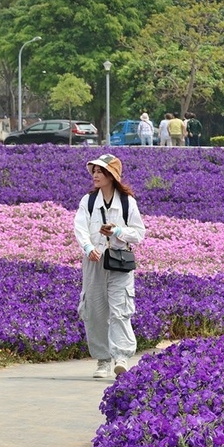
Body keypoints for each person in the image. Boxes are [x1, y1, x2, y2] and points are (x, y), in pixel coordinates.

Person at [73, 154, 146, 378]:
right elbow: (80, 226)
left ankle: (121, 356)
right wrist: (87, 247)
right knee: (94, 310)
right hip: (94, 260)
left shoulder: (127, 202)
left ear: (111, 176)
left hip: (119, 261)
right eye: (94, 171)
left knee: (120, 310)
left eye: (100, 172)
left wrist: (116, 231)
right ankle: (103, 360)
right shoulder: (88, 201)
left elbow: (139, 233)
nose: (95, 175)